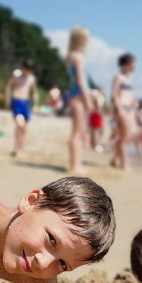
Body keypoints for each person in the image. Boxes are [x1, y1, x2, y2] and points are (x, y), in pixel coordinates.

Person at [64, 27, 92, 175]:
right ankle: (75, 165)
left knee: (78, 132)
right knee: (77, 132)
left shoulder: (71, 56)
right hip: (78, 97)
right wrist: (87, 99)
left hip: (74, 96)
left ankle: (76, 163)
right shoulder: (78, 57)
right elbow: (81, 81)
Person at [5, 60, 38, 158]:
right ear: (23, 67)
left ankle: (21, 148)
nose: (27, 70)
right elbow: (8, 86)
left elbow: (34, 91)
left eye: (29, 69)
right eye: (26, 68)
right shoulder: (17, 76)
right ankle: (17, 149)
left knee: (24, 128)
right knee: (20, 125)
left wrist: (36, 103)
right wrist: (7, 100)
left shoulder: (31, 78)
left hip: (25, 103)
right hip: (16, 101)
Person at [110, 53, 136, 170]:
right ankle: (124, 164)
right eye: (132, 63)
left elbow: (128, 95)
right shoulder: (119, 77)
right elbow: (115, 94)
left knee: (123, 136)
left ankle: (115, 160)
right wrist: (119, 108)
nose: (134, 66)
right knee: (125, 136)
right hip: (122, 108)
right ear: (126, 64)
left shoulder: (128, 78)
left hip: (128, 109)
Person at [89, 87, 105, 153]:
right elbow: (98, 106)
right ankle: (96, 145)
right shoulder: (97, 96)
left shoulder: (99, 97)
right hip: (96, 114)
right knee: (97, 130)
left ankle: (94, 144)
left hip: (95, 114)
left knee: (96, 130)